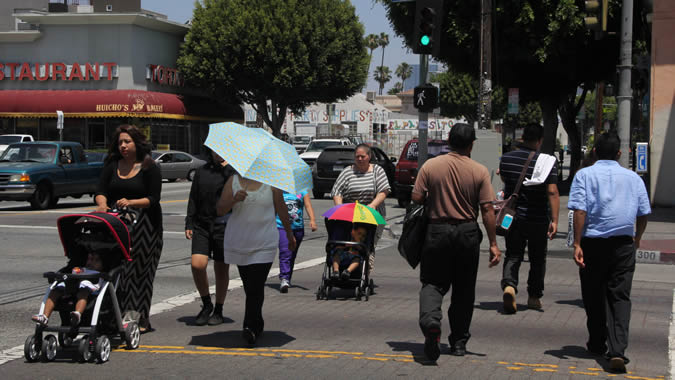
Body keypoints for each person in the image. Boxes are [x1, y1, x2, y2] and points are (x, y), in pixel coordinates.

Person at [411, 123, 501, 361]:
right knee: (464, 290)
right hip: (467, 233)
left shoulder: (430, 166)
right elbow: (487, 210)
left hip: (436, 231)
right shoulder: (479, 171)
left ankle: (432, 322)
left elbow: (417, 197)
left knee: (432, 283)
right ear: (472, 144)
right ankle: (459, 342)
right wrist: (493, 243)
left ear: (448, 141)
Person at [568, 132, 650, 374]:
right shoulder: (633, 178)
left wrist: (577, 243)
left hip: (593, 243)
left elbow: (579, 211)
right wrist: (637, 238)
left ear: (594, 152)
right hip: (623, 243)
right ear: (620, 153)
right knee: (619, 297)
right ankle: (617, 350)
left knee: (593, 294)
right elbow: (643, 213)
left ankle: (596, 342)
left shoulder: (584, 175)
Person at [95, 124, 162, 333]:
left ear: (137, 143)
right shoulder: (112, 165)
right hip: (116, 225)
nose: (123, 146)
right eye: (120, 142)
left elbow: (153, 199)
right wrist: (102, 204)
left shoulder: (149, 167)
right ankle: (113, 316)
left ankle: (139, 318)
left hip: (145, 228)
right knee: (118, 272)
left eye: (127, 142)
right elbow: (100, 190)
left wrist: (131, 202)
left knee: (140, 274)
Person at [217, 174, 295, 346]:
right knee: (249, 286)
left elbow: (281, 208)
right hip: (240, 240)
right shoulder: (233, 181)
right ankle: (257, 322)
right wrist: (234, 200)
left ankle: (250, 326)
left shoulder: (272, 182)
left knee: (256, 284)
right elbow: (220, 209)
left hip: (265, 240)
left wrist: (289, 234)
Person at [498, 123, 560, 313]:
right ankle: (534, 297)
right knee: (537, 258)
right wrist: (555, 220)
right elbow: (552, 191)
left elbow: (507, 183)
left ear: (522, 137)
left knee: (513, 253)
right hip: (538, 217)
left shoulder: (506, 159)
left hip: (512, 216)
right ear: (540, 141)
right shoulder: (548, 161)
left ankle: (509, 285)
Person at [185, 147, 236, 326]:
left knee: (221, 269)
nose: (218, 152)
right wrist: (189, 222)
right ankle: (206, 304)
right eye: (215, 149)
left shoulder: (233, 172)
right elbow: (193, 198)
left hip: (224, 226)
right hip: (201, 225)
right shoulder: (202, 171)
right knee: (198, 265)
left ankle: (219, 309)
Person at [331, 144, 391, 274]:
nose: (359, 159)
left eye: (362, 156)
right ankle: (340, 268)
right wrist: (339, 207)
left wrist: (373, 205)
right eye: (357, 156)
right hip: (350, 213)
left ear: (369, 157)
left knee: (367, 243)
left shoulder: (377, 171)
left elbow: (384, 191)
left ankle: (365, 271)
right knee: (344, 241)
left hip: (370, 214)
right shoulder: (348, 171)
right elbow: (337, 191)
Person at [31, 251, 105, 327]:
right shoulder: (82, 269)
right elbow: (72, 273)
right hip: (73, 286)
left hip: (89, 288)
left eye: (96, 260)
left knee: (83, 292)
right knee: (55, 290)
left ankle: (77, 314)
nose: (91, 262)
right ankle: (44, 316)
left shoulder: (100, 274)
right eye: (90, 259)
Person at [276, 190, 317, 293]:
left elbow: (308, 205)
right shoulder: (278, 191)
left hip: (298, 227)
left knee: (292, 254)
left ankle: (287, 277)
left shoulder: (302, 191)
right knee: (285, 251)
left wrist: (312, 220)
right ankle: (284, 278)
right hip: (281, 227)